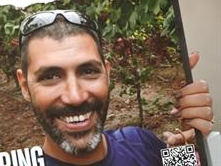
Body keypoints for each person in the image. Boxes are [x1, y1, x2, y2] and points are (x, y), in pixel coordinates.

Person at [15, 10, 215, 165]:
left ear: (107, 74)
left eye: (88, 71)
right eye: (50, 76)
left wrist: (194, 145)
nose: (75, 97)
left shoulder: (140, 143)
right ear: (24, 86)